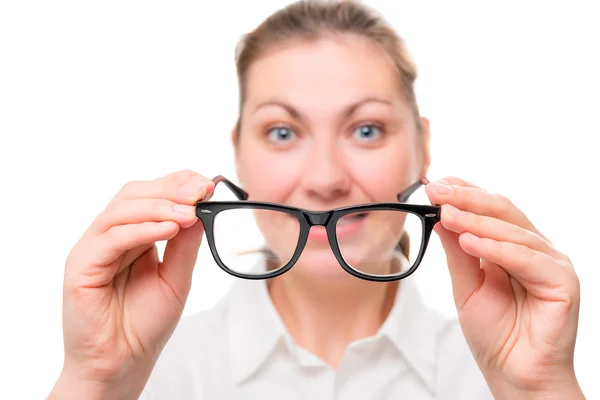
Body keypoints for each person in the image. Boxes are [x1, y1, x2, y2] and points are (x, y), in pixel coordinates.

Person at [48, 1, 585, 399]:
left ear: (423, 150)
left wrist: (540, 389)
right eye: (282, 133)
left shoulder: (501, 373)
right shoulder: (151, 375)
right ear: (238, 155)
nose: (326, 179)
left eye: (367, 129)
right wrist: (96, 378)